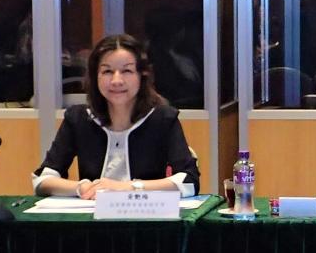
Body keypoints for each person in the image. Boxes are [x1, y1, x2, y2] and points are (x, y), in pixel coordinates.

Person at [33, 34, 200, 198]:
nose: (116, 80)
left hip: (145, 212)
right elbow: (43, 179)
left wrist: (129, 187)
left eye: (127, 71)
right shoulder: (78, 118)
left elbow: (189, 181)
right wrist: (82, 187)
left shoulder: (163, 118)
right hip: (92, 212)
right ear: (95, 76)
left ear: (142, 75)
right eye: (107, 71)